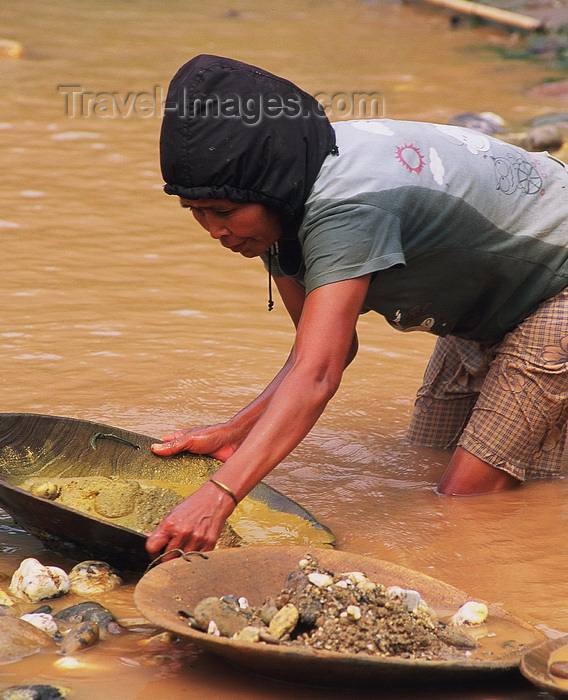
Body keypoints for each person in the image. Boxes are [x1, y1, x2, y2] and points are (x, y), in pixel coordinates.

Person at [146, 54, 568, 560]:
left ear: (271, 190)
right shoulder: (283, 197)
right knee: (424, 457)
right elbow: (327, 350)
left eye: (224, 212)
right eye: (196, 212)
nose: (214, 231)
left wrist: (219, 496)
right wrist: (234, 432)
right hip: (493, 298)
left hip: (556, 287)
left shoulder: (347, 206)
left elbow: (320, 375)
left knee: (464, 500)